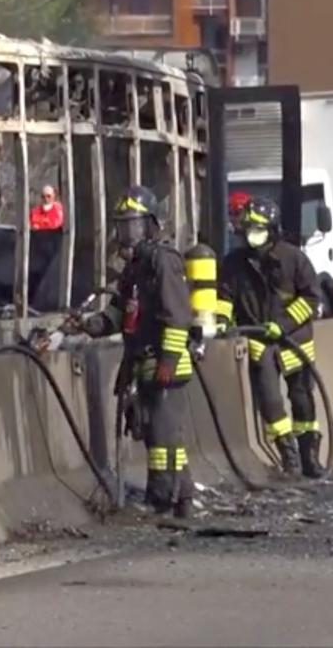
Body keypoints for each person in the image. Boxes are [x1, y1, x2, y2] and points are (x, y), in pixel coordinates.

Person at [79, 185, 195, 516]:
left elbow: (177, 316)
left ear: (150, 225)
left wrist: (168, 362)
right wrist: (89, 325)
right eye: (122, 225)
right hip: (142, 362)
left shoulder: (163, 261)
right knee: (161, 434)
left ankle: (160, 501)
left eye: (133, 224)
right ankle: (183, 498)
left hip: (166, 364)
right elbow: (119, 313)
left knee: (162, 439)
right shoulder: (133, 269)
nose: (126, 233)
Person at [218, 196, 324, 478]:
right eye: (248, 228)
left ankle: (309, 456)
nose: (251, 234)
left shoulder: (293, 259)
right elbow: (225, 297)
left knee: (302, 400)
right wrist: (220, 321)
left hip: (295, 342)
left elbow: (312, 298)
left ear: (272, 230)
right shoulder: (234, 263)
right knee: (270, 402)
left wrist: (283, 325)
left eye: (258, 228)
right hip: (259, 343)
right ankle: (289, 458)